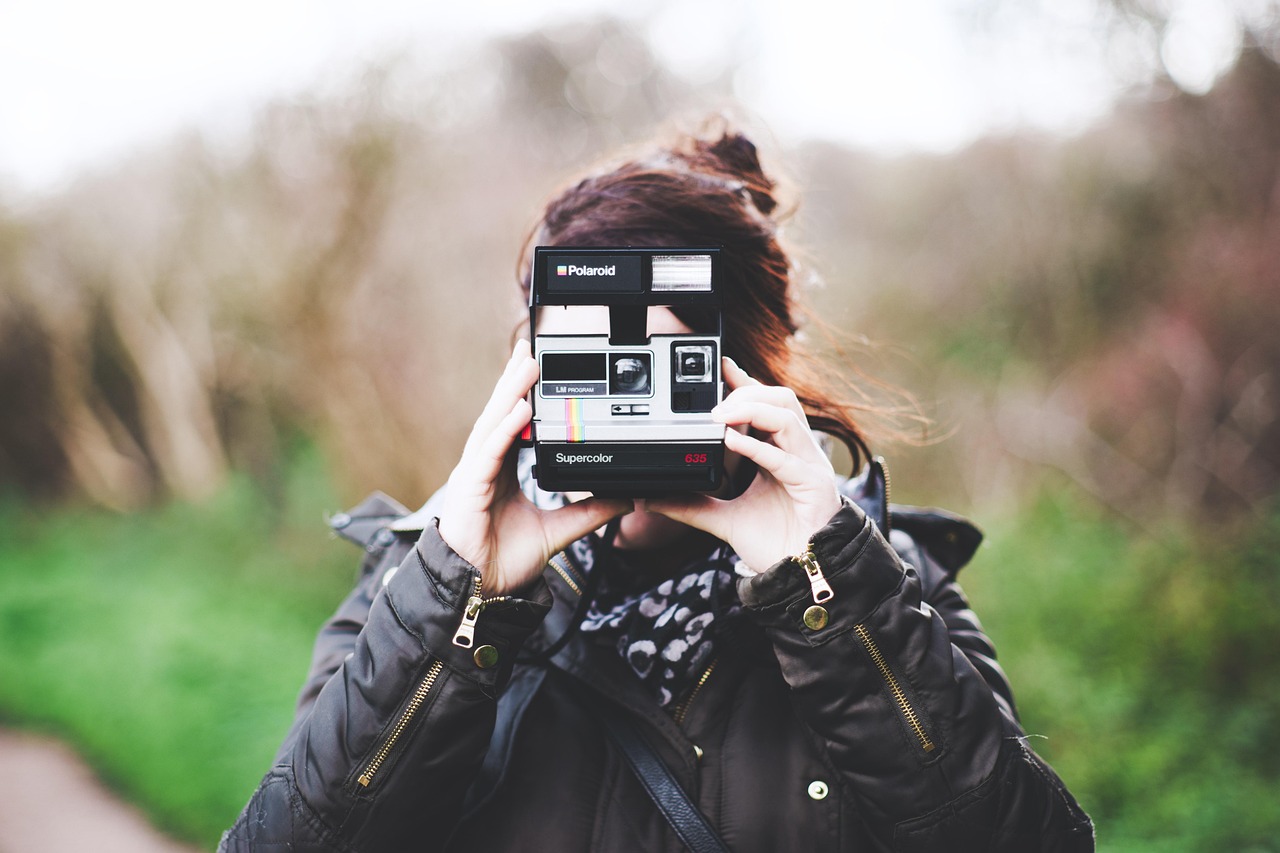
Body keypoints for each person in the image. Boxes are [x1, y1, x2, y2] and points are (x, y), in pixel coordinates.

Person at [220, 121, 1094, 852]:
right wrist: (462, 598)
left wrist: (821, 587)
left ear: (750, 376)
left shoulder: (888, 583)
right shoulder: (416, 585)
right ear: (526, 372)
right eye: (588, 370)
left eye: (660, 371)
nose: (624, 409)